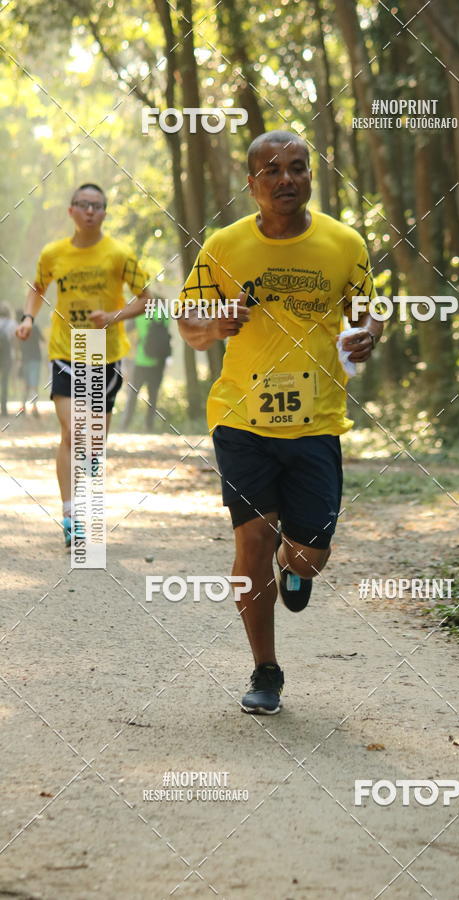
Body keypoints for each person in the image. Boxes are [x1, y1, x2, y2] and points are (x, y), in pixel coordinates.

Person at [178, 130, 381, 714]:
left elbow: (366, 314)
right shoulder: (222, 246)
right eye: (272, 170)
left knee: (307, 554)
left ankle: (298, 570)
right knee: (253, 540)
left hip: (317, 420)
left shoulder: (344, 243)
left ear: (311, 178)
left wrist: (366, 336)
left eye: (297, 168)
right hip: (241, 417)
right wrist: (215, 325)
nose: (285, 178)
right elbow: (189, 326)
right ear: (252, 184)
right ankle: (265, 669)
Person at [16, 183, 152, 547]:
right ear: (71, 211)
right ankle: (69, 513)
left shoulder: (119, 254)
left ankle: (87, 499)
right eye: (83, 205)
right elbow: (38, 287)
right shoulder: (54, 253)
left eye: (97, 205)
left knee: (92, 442)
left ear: (105, 213)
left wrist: (114, 315)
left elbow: (148, 300)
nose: (90, 211)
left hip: (104, 354)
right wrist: (29, 318)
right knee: (71, 431)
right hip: (67, 350)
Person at [121, 304, 170, 432]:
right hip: (159, 362)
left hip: (141, 361)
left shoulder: (139, 314)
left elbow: (126, 330)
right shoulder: (163, 313)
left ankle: (125, 425)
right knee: (153, 396)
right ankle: (149, 426)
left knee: (133, 394)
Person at [16, 308, 42, 417]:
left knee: (26, 384)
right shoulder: (34, 327)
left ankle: (23, 407)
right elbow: (43, 341)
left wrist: (19, 360)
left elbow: (17, 345)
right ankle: (34, 408)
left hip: (26, 359)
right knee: (33, 385)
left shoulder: (19, 329)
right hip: (35, 358)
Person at [0, 301, 17, 416]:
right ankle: (4, 409)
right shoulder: (13, 323)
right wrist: (17, 355)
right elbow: (15, 342)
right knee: (4, 382)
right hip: (7, 356)